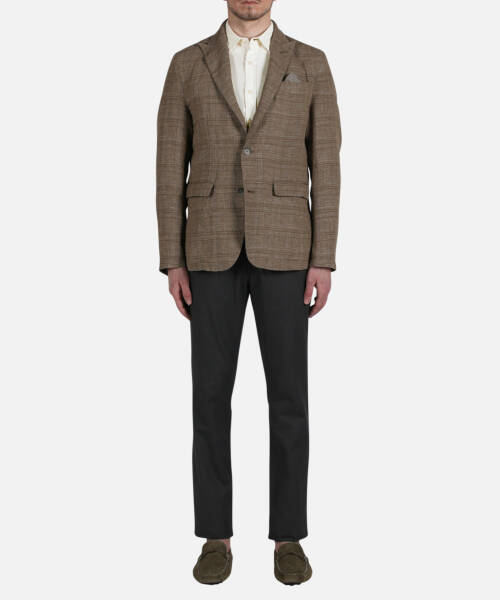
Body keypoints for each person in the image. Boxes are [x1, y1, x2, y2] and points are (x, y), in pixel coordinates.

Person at [156, 0, 341, 585]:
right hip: (209, 249)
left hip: (288, 249)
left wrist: (323, 257)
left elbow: (326, 166)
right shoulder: (188, 64)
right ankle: (216, 537)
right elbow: (169, 166)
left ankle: (289, 537)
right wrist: (172, 258)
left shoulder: (310, 63)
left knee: (289, 400)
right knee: (209, 399)